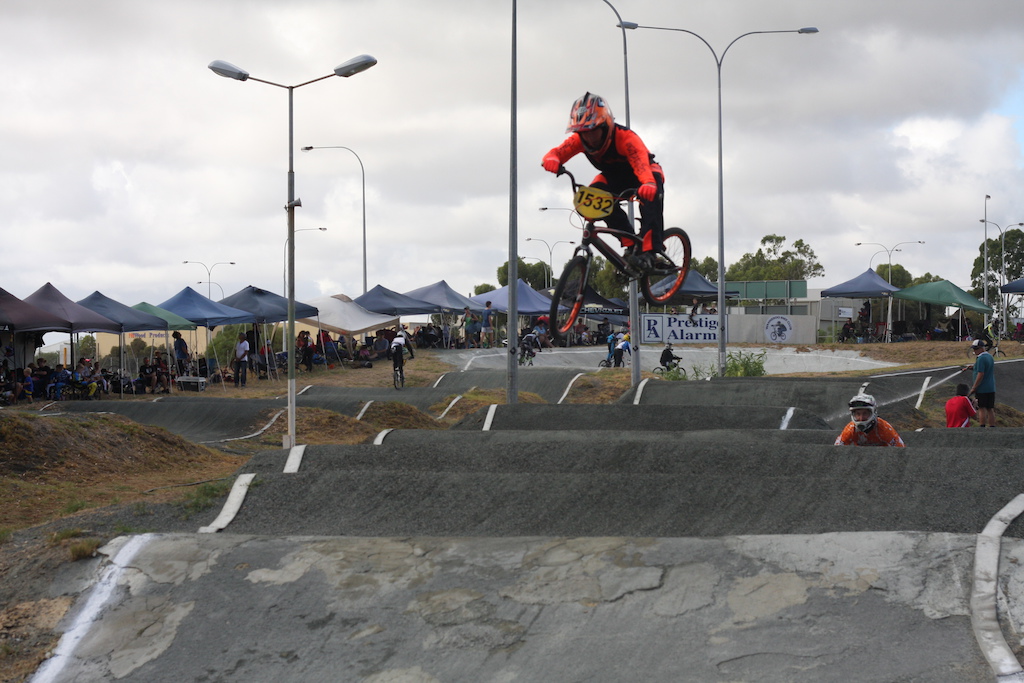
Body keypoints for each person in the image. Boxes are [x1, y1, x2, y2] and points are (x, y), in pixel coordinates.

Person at [542, 92, 669, 271]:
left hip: (645, 173)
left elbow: (640, 164)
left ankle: (650, 251)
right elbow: (557, 152)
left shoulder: (626, 138)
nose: (589, 138)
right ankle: (630, 243)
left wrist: (648, 183)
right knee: (594, 199)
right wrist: (552, 159)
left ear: (605, 126)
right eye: (584, 133)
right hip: (614, 176)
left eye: (593, 131)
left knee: (651, 199)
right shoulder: (579, 140)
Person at [834, 393, 905, 447]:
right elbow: (837, 450)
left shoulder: (884, 428)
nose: (861, 418)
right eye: (857, 414)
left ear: (873, 413)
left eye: (865, 414)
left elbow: (901, 450)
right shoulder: (850, 429)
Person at [964, 337, 996, 427]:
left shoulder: (981, 358)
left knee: (981, 408)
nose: (975, 351)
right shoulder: (989, 357)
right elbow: (985, 368)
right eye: (974, 349)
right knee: (990, 408)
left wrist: (974, 387)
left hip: (982, 388)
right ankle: (992, 427)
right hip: (991, 387)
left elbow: (981, 373)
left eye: (976, 349)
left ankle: (982, 426)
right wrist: (973, 367)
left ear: (982, 348)